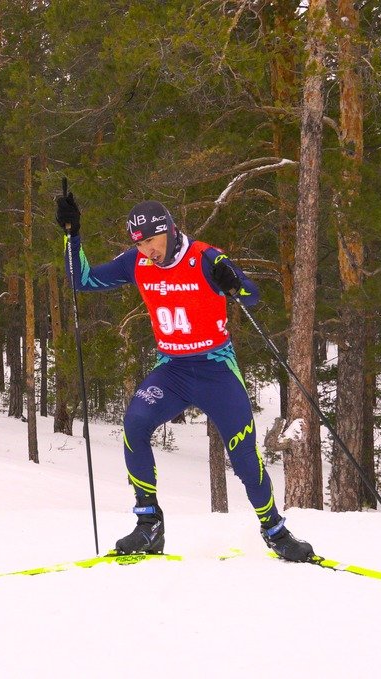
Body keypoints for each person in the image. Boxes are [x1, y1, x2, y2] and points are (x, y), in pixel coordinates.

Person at [55, 187, 315, 562]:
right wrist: (71, 233)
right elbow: (83, 281)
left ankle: (275, 530)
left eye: (153, 242)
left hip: (216, 369)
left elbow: (252, 295)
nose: (148, 252)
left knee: (243, 455)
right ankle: (150, 525)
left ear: (170, 231)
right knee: (136, 423)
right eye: (140, 245)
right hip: (173, 370)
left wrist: (232, 280)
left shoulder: (204, 256)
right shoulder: (136, 263)